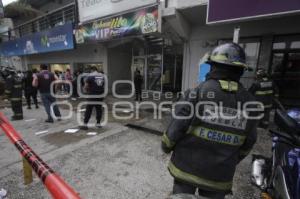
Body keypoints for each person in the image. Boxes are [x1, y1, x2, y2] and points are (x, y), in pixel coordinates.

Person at [161, 43, 259, 199]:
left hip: (186, 170)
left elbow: (176, 128)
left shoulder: (196, 94)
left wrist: (166, 146)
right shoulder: (251, 104)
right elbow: (249, 142)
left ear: (213, 67)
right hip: (219, 177)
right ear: (240, 70)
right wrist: (229, 159)